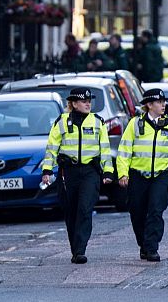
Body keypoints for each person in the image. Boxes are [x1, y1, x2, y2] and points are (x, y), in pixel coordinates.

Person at [116, 88, 168, 261]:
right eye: (159, 102)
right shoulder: (135, 124)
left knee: (155, 211)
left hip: (162, 175)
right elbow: (124, 151)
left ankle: (151, 248)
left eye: (164, 102)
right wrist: (122, 173)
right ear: (149, 105)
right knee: (137, 212)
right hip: (138, 176)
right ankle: (144, 244)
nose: (163, 105)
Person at [42, 88, 114, 264]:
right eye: (83, 101)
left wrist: (108, 171)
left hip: (90, 172)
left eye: (89, 101)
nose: (88, 104)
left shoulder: (98, 122)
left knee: (85, 208)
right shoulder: (61, 122)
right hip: (68, 172)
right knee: (71, 211)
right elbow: (52, 147)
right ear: (73, 104)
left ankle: (80, 249)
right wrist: (47, 170)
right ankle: (75, 249)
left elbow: (104, 149)